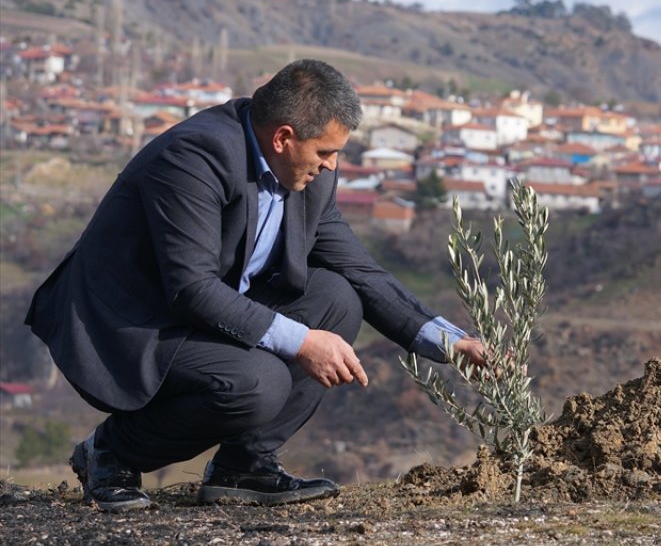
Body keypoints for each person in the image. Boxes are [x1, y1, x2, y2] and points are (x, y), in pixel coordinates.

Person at [25, 59, 487, 511]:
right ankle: (111, 452)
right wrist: (302, 341)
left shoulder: (307, 174)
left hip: (208, 309)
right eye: (325, 152)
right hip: (131, 322)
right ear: (284, 137)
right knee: (257, 382)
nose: (331, 166)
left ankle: (244, 467)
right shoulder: (196, 156)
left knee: (337, 298)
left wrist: (450, 342)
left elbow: (360, 271)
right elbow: (191, 288)